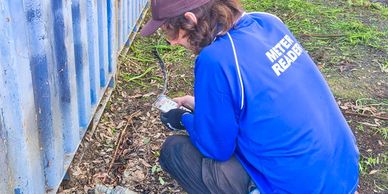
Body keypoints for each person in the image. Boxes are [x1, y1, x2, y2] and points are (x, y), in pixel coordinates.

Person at [140, 0, 360, 193]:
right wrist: (201, 107)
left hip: (298, 187)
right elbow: (263, 98)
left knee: (175, 151)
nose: (172, 42)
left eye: (170, 31)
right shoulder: (267, 22)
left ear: (190, 19)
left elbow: (216, 148)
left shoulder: (214, 59)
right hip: (342, 172)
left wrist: (182, 119)